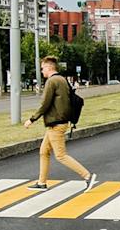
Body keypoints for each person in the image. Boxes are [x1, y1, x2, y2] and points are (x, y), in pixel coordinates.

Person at [24, 56, 96, 192]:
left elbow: (45, 104)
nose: (42, 71)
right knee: (44, 151)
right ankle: (42, 182)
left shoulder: (52, 81)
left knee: (61, 155)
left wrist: (32, 119)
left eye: (42, 68)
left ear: (49, 67)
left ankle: (87, 176)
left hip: (56, 124)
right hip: (59, 122)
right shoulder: (62, 79)